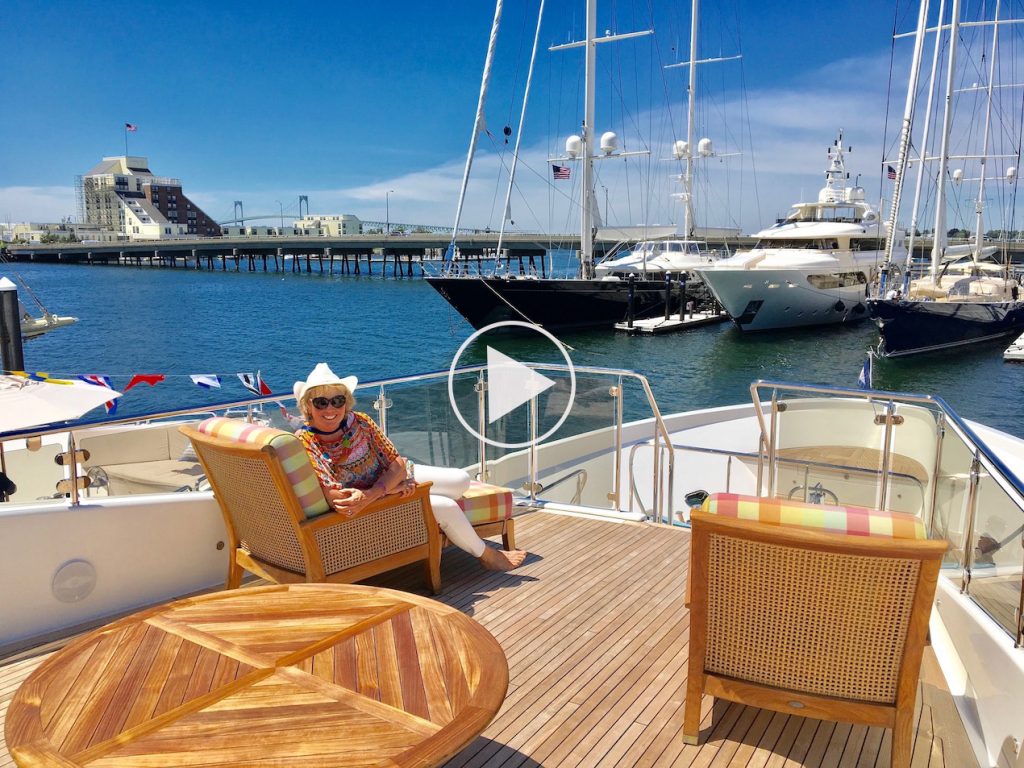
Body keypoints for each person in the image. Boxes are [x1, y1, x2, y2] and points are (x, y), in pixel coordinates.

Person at [293, 363, 527, 571]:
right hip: (375, 500)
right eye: (321, 402)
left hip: (386, 484)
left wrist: (386, 486)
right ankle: (487, 555)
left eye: (337, 400)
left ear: (346, 402)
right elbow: (338, 499)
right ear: (308, 406)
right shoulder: (306, 441)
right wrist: (387, 490)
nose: (330, 409)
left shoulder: (360, 422)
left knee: (460, 480)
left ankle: (428, 509)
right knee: (444, 506)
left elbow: (397, 463)